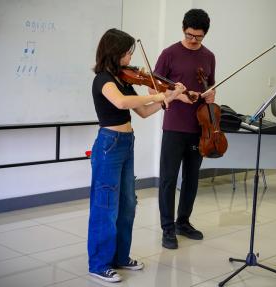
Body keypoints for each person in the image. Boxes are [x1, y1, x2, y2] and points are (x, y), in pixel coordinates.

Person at [88, 28, 186, 283]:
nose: (131, 56)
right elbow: (121, 103)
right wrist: (157, 94)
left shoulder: (124, 79)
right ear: (114, 52)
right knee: (105, 206)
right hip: (109, 144)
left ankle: (120, 257)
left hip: (126, 142)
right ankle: (99, 264)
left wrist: (170, 97)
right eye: (127, 52)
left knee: (128, 205)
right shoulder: (104, 79)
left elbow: (142, 111)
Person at [153, 9, 216, 249]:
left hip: (200, 126)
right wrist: (178, 97)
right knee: (169, 179)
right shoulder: (169, 54)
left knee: (191, 178)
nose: (193, 40)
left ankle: (183, 222)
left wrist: (210, 95)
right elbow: (153, 90)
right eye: (190, 34)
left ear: (204, 34)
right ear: (183, 29)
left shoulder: (209, 56)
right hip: (174, 127)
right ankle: (167, 229)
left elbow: (211, 85)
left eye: (198, 37)